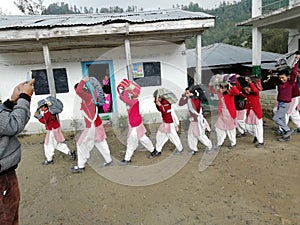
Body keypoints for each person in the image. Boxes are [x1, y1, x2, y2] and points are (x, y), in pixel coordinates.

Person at [0, 79, 34, 225]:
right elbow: (13, 125)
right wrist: (25, 98)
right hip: (2, 178)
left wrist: (11, 101)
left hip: (5, 174)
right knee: (6, 218)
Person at [71, 76, 112, 173]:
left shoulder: (87, 96)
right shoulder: (92, 95)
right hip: (97, 125)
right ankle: (109, 160)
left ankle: (81, 166)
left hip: (91, 127)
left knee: (80, 144)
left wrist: (83, 81)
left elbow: (78, 91)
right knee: (100, 143)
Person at [119, 87, 156, 164]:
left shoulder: (134, 102)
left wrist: (125, 90)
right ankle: (153, 151)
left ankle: (127, 159)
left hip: (135, 124)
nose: (131, 93)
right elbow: (121, 97)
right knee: (142, 138)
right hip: (133, 124)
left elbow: (125, 99)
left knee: (131, 141)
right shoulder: (130, 101)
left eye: (132, 92)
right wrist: (122, 90)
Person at [178, 87, 212, 155]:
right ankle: (194, 149)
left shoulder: (196, 99)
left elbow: (195, 107)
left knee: (200, 135)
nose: (186, 94)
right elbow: (180, 103)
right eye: (186, 92)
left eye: (187, 92)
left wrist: (190, 96)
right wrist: (184, 96)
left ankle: (210, 146)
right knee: (191, 134)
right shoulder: (189, 99)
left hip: (198, 121)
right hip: (193, 121)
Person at [270, 63, 298, 142]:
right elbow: (273, 78)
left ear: (288, 77)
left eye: (283, 77)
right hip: (280, 103)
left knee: (275, 118)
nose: (282, 79)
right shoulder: (280, 84)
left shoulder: (290, 83)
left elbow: (294, 72)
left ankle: (288, 130)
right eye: (280, 78)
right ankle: (286, 136)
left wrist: (296, 62)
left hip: (285, 104)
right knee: (282, 119)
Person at [236, 76, 264, 148]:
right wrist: (236, 79)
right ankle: (256, 135)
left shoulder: (255, 94)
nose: (246, 91)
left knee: (258, 127)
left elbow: (255, 90)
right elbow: (239, 89)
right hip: (250, 113)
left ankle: (261, 142)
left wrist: (250, 82)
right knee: (248, 127)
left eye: (248, 89)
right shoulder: (247, 95)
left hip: (256, 113)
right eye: (245, 90)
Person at [211, 82, 240, 150]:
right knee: (219, 128)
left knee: (230, 129)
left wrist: (230, 85)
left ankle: (233, 143)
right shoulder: (220, 93)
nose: (220, 89)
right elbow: (212, 89)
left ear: (224, 88)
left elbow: (237, 92)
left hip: (229, 113)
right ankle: (219, 143)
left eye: (221, 88)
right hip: (222, 113)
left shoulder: (230, 93)